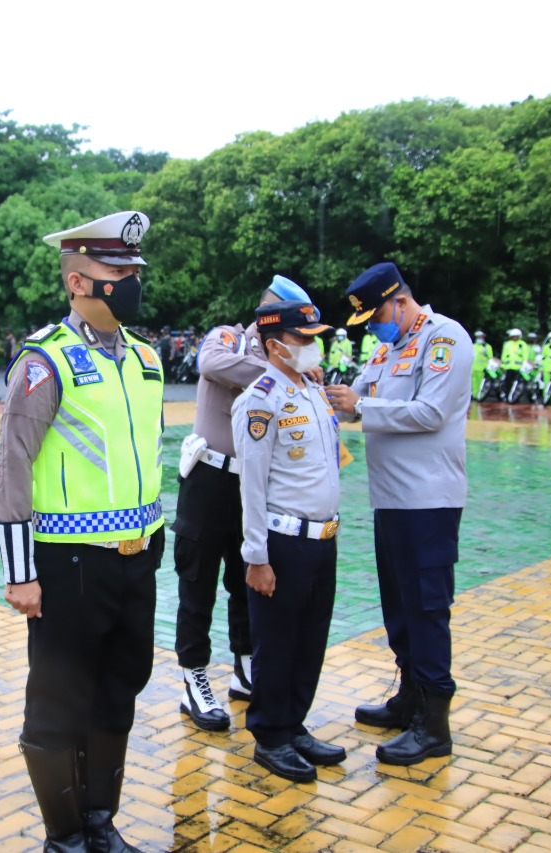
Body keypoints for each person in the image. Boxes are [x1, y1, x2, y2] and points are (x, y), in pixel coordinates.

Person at [0, 210, 162, 853]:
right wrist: (20, 572)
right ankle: (63, 836)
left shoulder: (146, 361)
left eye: (132, 270)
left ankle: (99, 819)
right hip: (67, 564)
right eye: (114, 271)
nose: (128, 280)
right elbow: (12, 463)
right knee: (60, 702)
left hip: (136, 558)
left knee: (120, 688)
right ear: (77, 282)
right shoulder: (45, 361)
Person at [325, 261, 470, 766]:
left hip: (429, 502)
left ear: (400, 302)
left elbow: (431, 413)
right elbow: (357, 394)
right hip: (391, 500)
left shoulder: (444, 339)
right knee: (399, 607)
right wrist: (330, 397)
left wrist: (361, 409)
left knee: (428, 609)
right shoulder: (390, 348)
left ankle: (434, 725)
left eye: (377, 317)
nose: (374, 329)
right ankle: (410, 697)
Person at [173, 274, 307, 732]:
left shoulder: (292, 371)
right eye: (291, 329)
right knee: (198, 581)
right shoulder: (229, 338)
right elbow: (210, 363)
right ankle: (194, 678)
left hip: (252, 484)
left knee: (246, 577)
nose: (298, 342)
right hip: (208, 478)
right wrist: (281, 373)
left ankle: (246, 668)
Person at [231, 297, 344, 783]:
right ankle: (270, 736)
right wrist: (256, 557)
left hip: (323, 539)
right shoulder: (260, 399)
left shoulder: (311, 391)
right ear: (276, 345)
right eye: (304, 339)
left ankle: (293, 723)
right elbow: (251, 485)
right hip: (282, 542)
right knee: (276, 644)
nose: (313, 346)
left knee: (309, 640)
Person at [499, 328, 527, 401]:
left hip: (519, 367)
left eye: (516, 336)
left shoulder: (522, 344)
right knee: (507, 383)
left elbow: (525, 356)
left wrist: (524, 365)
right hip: (509, 367)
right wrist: (503, 366)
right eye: (513, 336)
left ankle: (515, 397)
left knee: (517, 383)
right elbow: (504, 356)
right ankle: (507, 396)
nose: (515, 337)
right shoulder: (507, 344)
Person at [471, 331, 492, 400]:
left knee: (481, 383)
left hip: (483, 368)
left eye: (481, 337)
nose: (479, 338)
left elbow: (490, 358)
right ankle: (474, 396)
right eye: (478, 337)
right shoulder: (473, 346)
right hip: (473, 368)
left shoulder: (487, 347)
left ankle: (481, 396)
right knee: (474, 383)